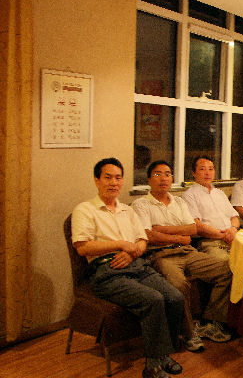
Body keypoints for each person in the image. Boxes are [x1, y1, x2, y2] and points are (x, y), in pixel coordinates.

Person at [71, 158, 184, 378]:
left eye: (118, 178)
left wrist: (132, 250)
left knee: (175, 297)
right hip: (106, 271)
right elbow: (83, 247)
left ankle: (163, 354)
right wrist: (121, 245)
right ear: (96, 180)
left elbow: (142, 241)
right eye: (107, 177)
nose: (113, 182)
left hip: (135, 263)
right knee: (153, 299)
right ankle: (153, 365)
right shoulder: (85, 210)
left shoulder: (127, 210)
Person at [132, 160, 233, 349]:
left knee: (227, 269)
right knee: (178, 283)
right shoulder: (141, 204)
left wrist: (163, 230)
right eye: (158, 174)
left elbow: (192, 231)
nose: (163, 178)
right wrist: (179, 236)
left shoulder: (178, 201)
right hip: (160, 255)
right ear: (149, 179)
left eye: (168, 174)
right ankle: (188, 332)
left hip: (188, 251)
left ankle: (210, 321)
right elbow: (148, 235)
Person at [182, 155, 240, 261]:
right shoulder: (189, 195)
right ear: (193, 173)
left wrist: (233, 229)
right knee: (227, 264)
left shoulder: (220, 193)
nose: (207, 173)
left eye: (211, 169)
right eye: (202, 169)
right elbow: (197, 225)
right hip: (210, 242)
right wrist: (223, 236)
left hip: (233, 238)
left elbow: (234, 217)